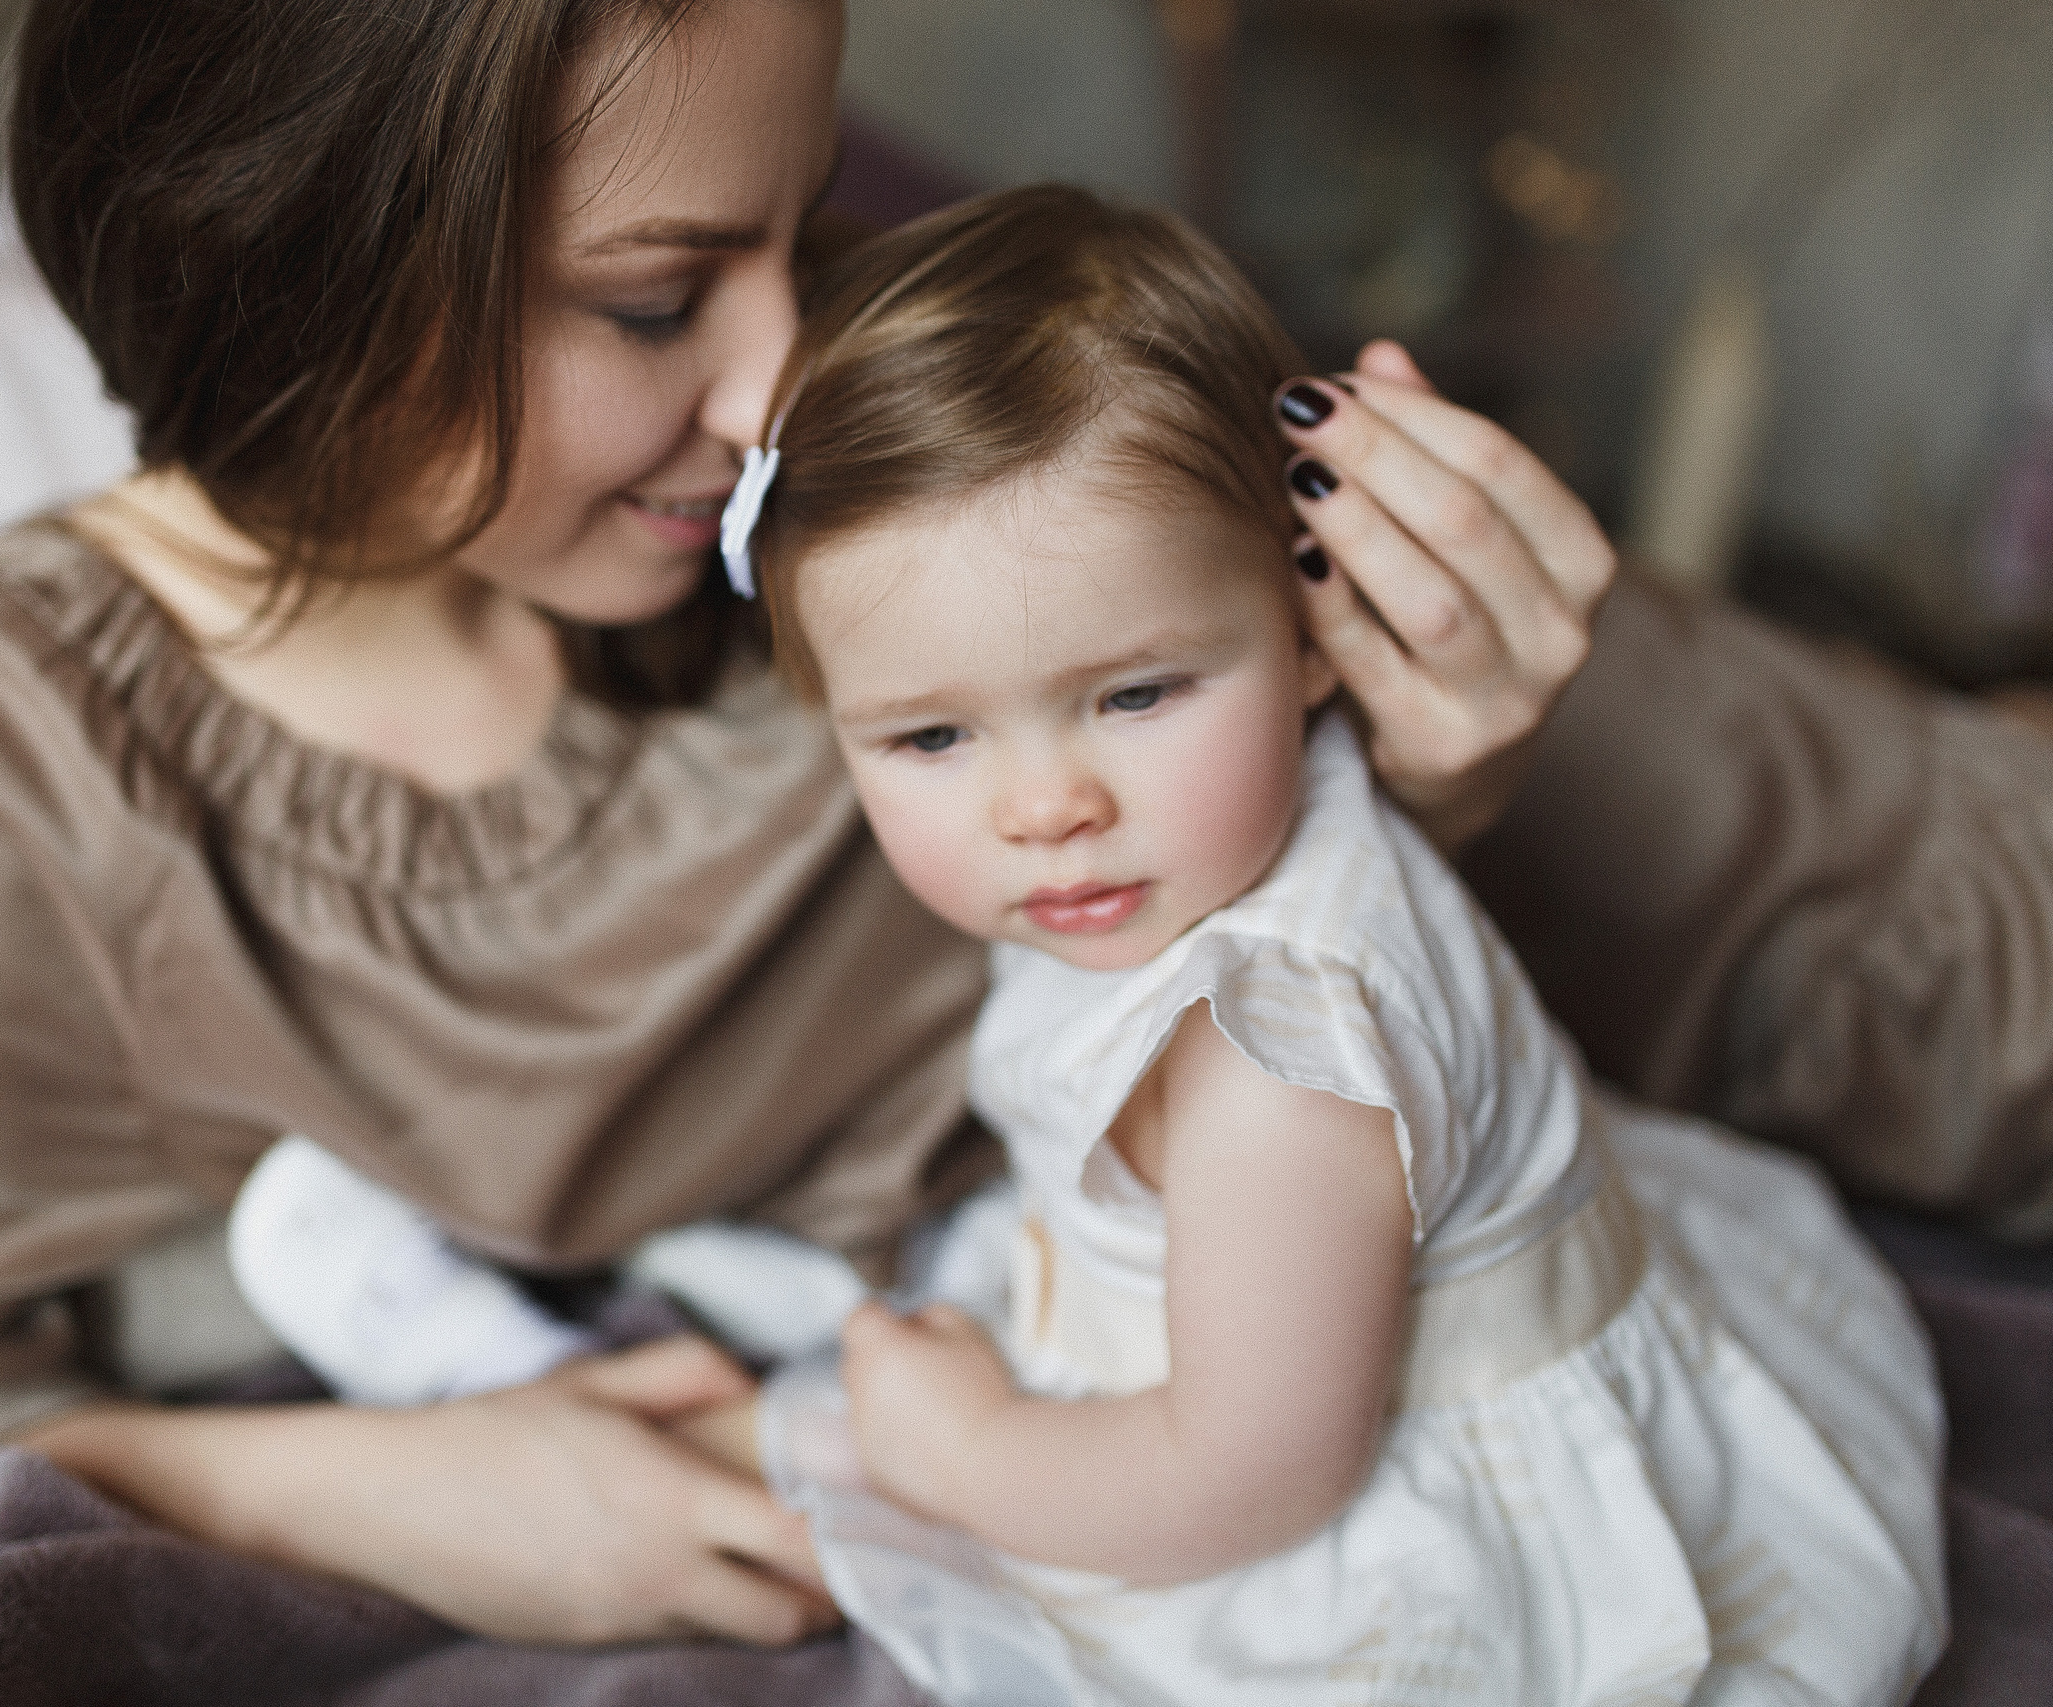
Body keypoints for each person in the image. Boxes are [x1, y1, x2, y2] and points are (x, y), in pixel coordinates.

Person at [0, 0, 2038, 1660]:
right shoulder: (70, 793)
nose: (790, 379)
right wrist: (388, 1486)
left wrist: (1427, 771)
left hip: (1754, 889)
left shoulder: (832, 426)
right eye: (652, 290)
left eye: (799, 221)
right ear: (297, 281)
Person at [722, 184, 1944, 1705]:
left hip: (1351, 1496)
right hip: (1272, 1327)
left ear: (1312, 627)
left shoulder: (1271, 1064)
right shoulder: (1183, 855)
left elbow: (1254, 1478)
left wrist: (966, 1454)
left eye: (1138, 694)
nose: (1047, 805)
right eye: (929, 734)